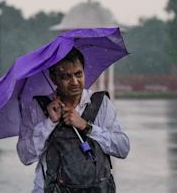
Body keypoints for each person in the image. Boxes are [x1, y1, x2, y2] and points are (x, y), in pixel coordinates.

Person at [17, 47, 130, 192]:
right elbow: (26, 156)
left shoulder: (100, 103)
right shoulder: (39, 107)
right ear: (53, 78)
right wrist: (49, 123)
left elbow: (122, 148)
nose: (75, 82)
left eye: (78, 74)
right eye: (66, 76)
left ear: (84, 72)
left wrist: (86, 127)